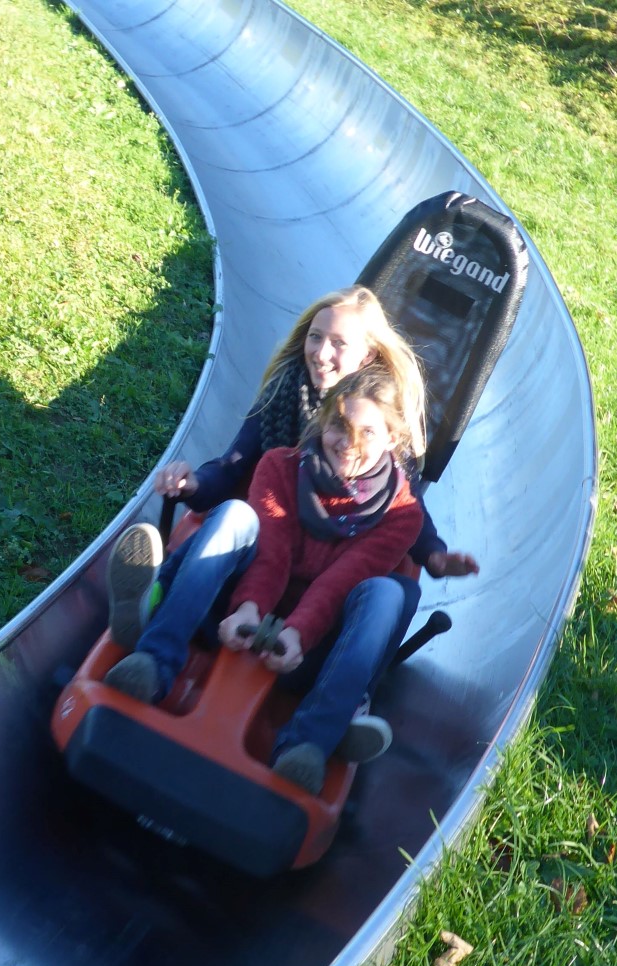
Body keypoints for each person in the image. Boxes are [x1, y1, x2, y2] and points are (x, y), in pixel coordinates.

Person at [106, 366, 427, 795]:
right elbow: (273, 551)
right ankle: (152, 659)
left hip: (313, 650)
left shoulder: (402, 515)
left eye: (367, 432)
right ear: (324, 419)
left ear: (392, 439)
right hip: (231, 612)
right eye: (338, 423)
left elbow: (343, 579)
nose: (348, 443)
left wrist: (298, 633)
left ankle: (310, 743)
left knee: (389, 593)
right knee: (234, 515)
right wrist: (248, 608)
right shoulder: (280, 466)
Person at [107, 286, 478, 655]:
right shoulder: (284, 394)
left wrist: (434, 556)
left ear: (367, 356)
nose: (321, 353)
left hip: (329, 568)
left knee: (396, 590)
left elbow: (406, 506)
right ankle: (155, 604)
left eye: (338, 343)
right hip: (267, 547)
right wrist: (194, 483)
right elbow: (232, 465)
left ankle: (346, 675)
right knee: (229, 519)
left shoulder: (379, 424)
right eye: (315, 337)